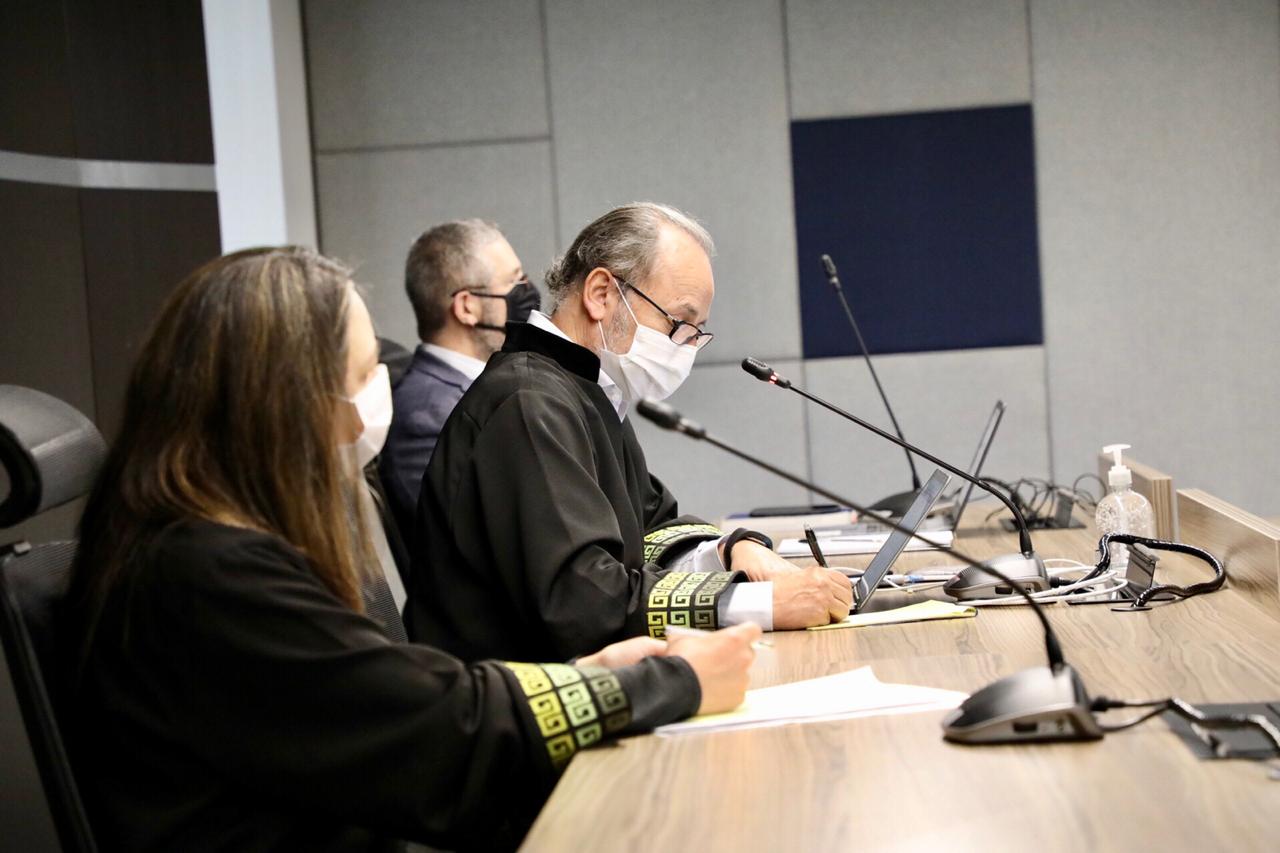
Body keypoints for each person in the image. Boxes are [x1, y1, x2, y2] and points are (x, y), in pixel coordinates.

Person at [60, 246, 759, 852]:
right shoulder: (207, 572)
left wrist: (590, 672)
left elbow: (406, 697)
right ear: (284, 401)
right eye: (366, 373)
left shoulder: (199, 543)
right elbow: (438, 728)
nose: (382, 391)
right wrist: (671, 683)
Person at [408, 203, 852, 664]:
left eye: (696, 333)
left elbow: (653, 529)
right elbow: (583, 603)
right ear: (601, 293)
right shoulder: (528, 403)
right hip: (513, 703)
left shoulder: (585, 390)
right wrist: (762, 604)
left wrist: (731, 549)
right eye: (679, 324)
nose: (684, 348)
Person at [379, 221, 540, 537]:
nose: (528, 291)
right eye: (513, 282)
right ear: (467, 307)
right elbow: (473, 540)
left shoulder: (500, 380)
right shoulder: (425, 417)